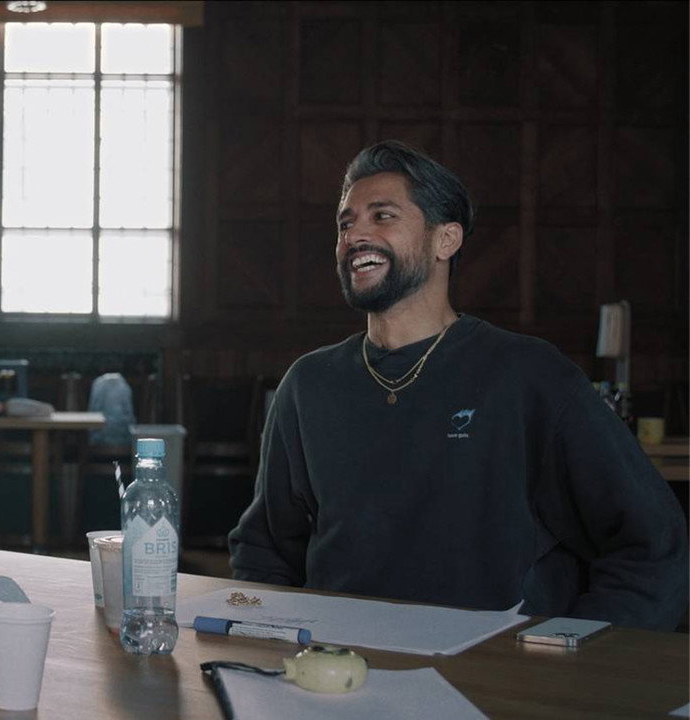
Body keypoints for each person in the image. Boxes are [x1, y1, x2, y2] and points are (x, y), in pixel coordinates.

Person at [228, 141, 687, 630]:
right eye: (345, 224)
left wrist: (574, 651)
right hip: (342, 662)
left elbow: (652, 543)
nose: (354, 235)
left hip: (495, 664)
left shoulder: (530, 375)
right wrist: (266, 643)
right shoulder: (308, 384)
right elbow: (265, 550)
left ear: (445, 240)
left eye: (383, 216)